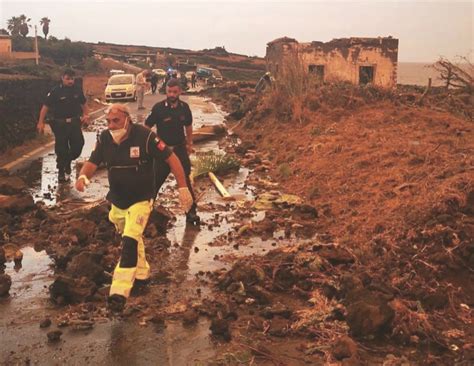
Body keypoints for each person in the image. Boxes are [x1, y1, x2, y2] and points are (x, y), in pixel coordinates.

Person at [75, 103, 193, 311]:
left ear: (127, 119)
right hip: (118, 201)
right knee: (129, 234)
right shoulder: (104, 139)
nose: (112, 125)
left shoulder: (145, 137)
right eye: (108, 121)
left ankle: (119, 291)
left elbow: (172, 158)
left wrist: (183, 187)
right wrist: (84, 176)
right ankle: (141, 273)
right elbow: (93, 162)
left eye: (116, 121)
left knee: (129, 240)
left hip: (141, 199)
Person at [145, 78, 200, 224]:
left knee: (185, 181)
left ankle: (191, 212)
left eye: (175, 92)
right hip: (162, 151)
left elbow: (188, 126)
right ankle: (145, 210)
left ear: (180, 92)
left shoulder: (185, 108)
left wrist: (189, 143)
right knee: (154, 182)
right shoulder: (158, 108)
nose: (172, 94)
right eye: (169, 92)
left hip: (179, 148)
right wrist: (150, 145)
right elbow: (146, 127)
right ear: (166, 92)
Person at [37, 69, 89, 182]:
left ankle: (68, 161)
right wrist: (40, 122)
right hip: (60, 124)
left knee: (79, 145)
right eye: (68, 79)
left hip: (75, 122)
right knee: (61, 148)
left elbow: (84, 103)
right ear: (62, 78)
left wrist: (86, 115)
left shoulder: (77, 90)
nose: (70, 81)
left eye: (72, 79)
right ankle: (61, 171)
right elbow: (45, 107)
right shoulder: (56, 91)